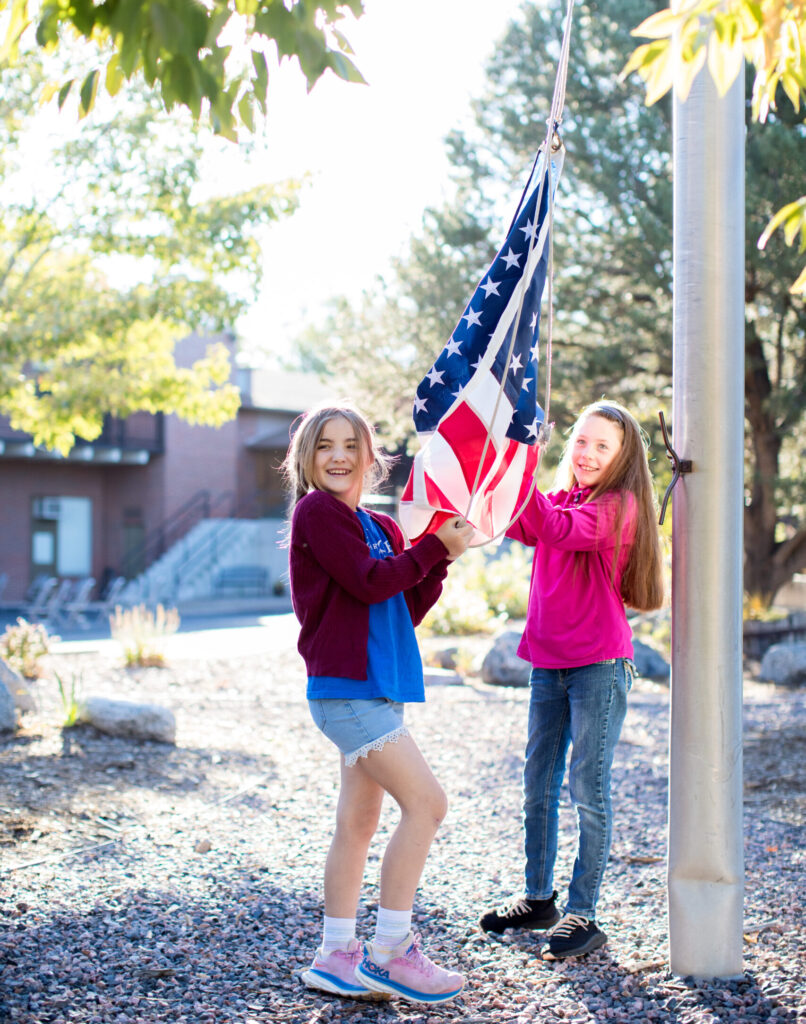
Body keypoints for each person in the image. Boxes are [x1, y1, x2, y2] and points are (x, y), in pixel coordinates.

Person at [283, 400, 474, 1004]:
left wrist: (439, 559)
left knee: (359, 823)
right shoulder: (318, 513)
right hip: (345, 691)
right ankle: (391, 950)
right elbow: (367, 581)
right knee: (428, 803)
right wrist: (432, 551)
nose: (338, 456)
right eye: (323, 446)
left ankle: (337, 956)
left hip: (376, 691)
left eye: (349, 445)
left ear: (371, 456)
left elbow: (399, 607)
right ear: (306, 459)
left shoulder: (382, 527)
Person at [479, 400, 664, 960]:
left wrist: (521, 456)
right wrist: (507, 457)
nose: (586, 453)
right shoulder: (564, 496)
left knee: (587, 786)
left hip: (599, 665)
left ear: (622, 457)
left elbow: (555, 529)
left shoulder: (618, 505)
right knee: (537, 782)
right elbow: (526, 520)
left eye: (601, 446)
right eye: (580, 441)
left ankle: (584, 912)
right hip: (549, 664)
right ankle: (540, 899)